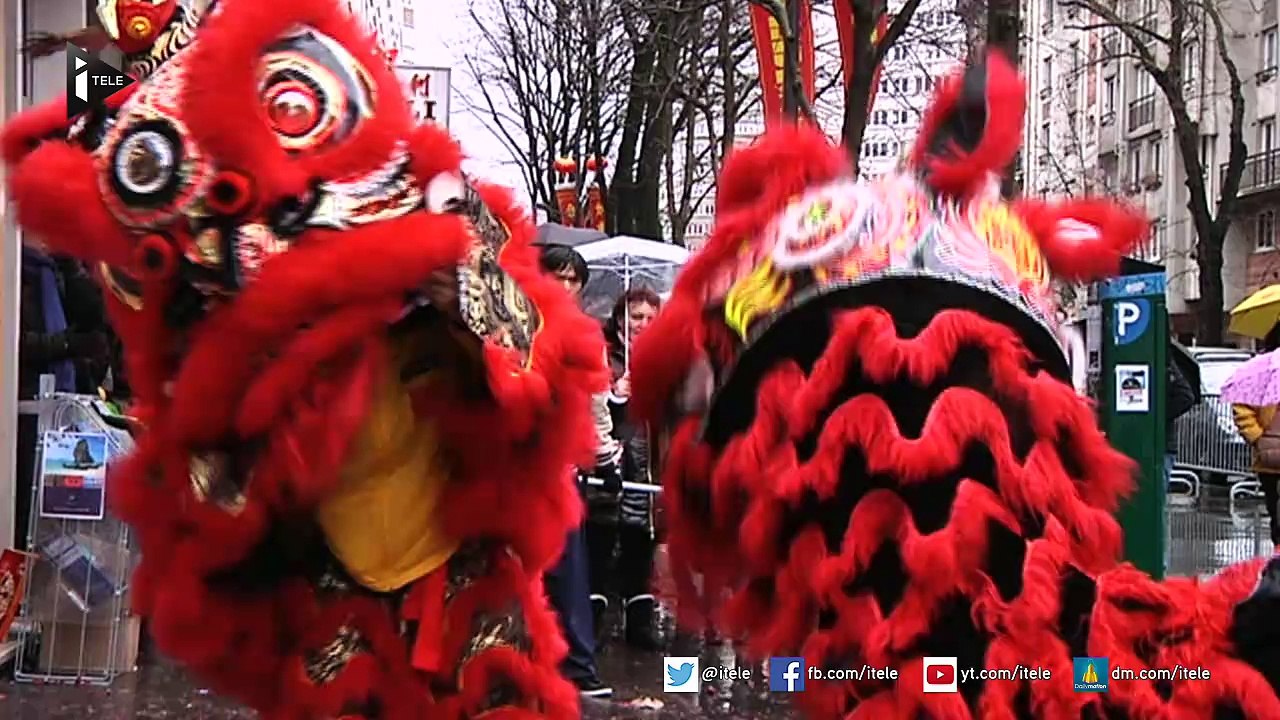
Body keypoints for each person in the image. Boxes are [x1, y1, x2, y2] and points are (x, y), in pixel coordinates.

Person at [538, 244, 617, 697]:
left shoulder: (586, 335)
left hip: (562, 466)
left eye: (574, 280)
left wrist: (604, 456)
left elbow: (596, 401)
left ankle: (578, 666)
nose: (566, 286)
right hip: (519, 461)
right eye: (559, 276)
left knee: (569, 569)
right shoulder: (519, 324)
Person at [587, 288, 663, 651]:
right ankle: (591, 629)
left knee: (639, 546)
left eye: (650, 318)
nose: (643, 324)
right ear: (620, 320)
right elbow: (593, 412)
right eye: (636, 317)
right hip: (611, 464)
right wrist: (616, 394)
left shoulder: (661, 357)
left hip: (645, 469)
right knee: (600, 546)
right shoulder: (603, 356)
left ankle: (640, 627)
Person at [1234, 325, 1280, 545]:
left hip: (1268, 453)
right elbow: (1242, 408)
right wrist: (1257, 438)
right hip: (1270, 458)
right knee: (1276, 514)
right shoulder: (1260, 370)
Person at [1165, 359, 1197, 485]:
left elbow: (1185, 397)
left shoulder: (1166, 362)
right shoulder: (1167, 363)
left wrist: (1159, 417)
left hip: (1163, 444)